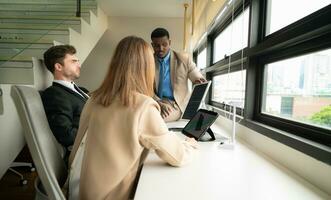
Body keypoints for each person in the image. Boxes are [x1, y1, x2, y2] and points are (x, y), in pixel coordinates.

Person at [68, 36, 197, 200]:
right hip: (111, 195)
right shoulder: (143, 106)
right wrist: (190, 145)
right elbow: (177, 156)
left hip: (80, 190)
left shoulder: (93, 99)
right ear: (146, 67)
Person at [151, 27, 206, 122]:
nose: (161, 49)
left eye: (164, 44)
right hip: (155, 101)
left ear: (170, 42)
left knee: (156, 119)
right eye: (156, 45)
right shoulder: (148, 61)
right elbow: (144, 86)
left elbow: (195, 75)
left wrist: (198, 80)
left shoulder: (184, 59)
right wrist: (158, 102)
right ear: (152, 45)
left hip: (176, 104)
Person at [42, 45, 89, 153]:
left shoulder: (82, 90)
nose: (79, 65)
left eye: (78, 61)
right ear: (58, 67)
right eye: (73, 61)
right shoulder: (54, 94)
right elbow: (67, 135)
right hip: (85, 151)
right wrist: (97, 130)